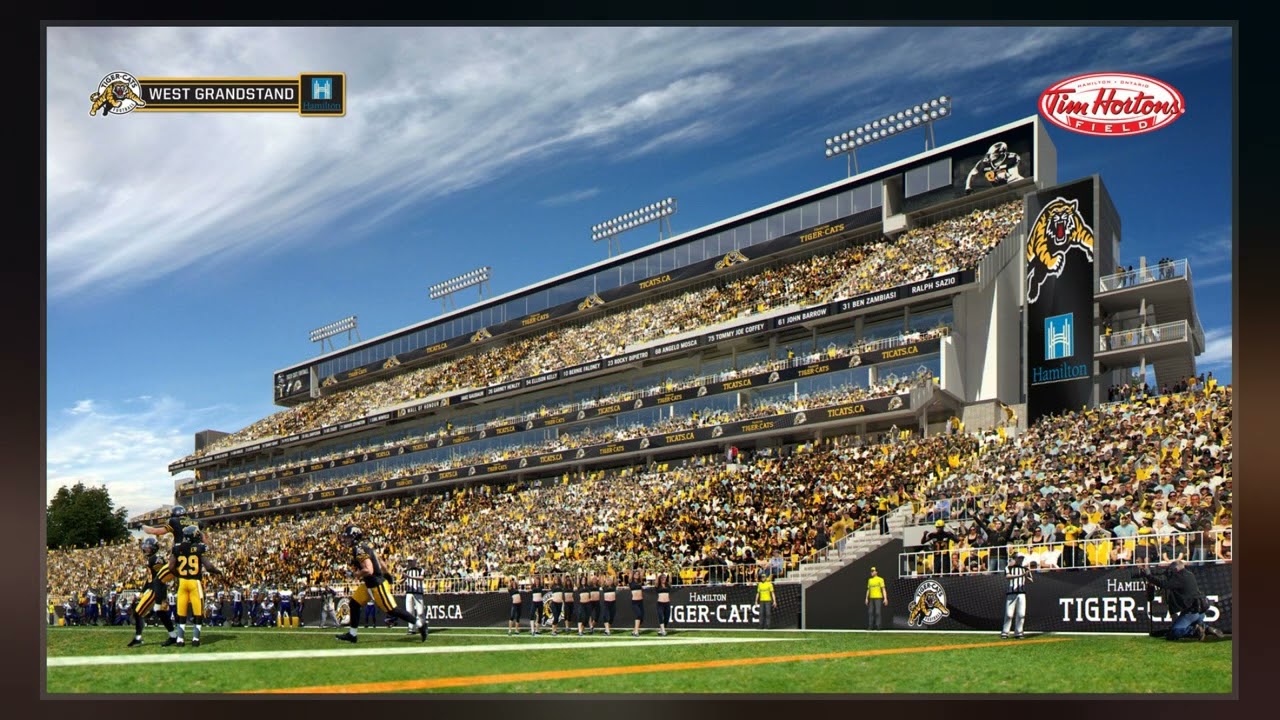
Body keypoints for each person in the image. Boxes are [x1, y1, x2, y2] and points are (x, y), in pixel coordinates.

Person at [334, 524, 427, 643]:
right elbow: (380, 561)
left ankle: (420, 624)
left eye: (348, 537)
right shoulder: (365, 547)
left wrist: (354, 575)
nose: (346, 540)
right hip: (369, 584)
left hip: (376, 584)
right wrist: (387, 574)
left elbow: (369, 570)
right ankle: (352, 635)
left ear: (354, 537)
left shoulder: (358, 549)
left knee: (393, 610)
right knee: (354, 604)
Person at [166, 525, 225, 648]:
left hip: (182, 583)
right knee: (198, 612)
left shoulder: (177, 548)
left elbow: (171, 567)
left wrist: (178, 575)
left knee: (181, 613)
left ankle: (180, 640)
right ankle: (195, 639)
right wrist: (218, 571)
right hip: (194, 583)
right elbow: (208, 566)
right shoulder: (199, 548)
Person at [1141, 559, 1224, 641]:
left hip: (1191, 612)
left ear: (1176, 569)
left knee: (1174, 632)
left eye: (1172, 570)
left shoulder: (1179, 577)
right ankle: (1206, 628)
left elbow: (1164, 584)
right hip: (1200, 611)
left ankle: (1195, 631)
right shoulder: (1190, 574)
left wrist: (1149, 576)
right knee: (1185, 624)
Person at [126, 537, 180, 648]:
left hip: (155, 590)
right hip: (155, 589)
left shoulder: (156, 559)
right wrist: (142, 590)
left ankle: (138, 638)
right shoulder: (153, 558)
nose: (145, 549)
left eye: (148, 548)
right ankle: (173, 636)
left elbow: (160, 578)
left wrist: (156, 592)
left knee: (138, 613)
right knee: (161, 613)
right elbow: (151, 578)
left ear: (154, 548)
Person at [1001, 553, 1034, 640]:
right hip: (1011, 593)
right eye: (1019, 558)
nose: (1020, 560)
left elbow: (1031, 580)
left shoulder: (1025, 568)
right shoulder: (1008, 568)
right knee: (1009, 614)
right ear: (1014, 559)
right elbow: (1008, 577)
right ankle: (1005, 632)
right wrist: (1021, 575)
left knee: (1021, 614)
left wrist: (1027, 575)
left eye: (1021, 558)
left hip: (1021, 593)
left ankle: (1019, 632)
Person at [402, 558, 426, 636]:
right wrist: (404, 579)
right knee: (409, 612)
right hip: (409, 593)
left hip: (418, 592)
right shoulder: (405, 571)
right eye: (408, 561)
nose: (409, 562)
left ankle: (422, 627)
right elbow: (400, 582)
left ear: (415, 561)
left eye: (411, 561)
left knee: (420, 612)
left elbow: (421, 578)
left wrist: (409, 577)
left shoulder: (420, 569)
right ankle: (411, 629)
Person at [628, 570, 645, 637]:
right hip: (635, 601)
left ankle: (634, 630)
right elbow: (630, 573)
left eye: (638, 574)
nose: (637, 575)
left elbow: (642, 573)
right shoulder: (630, 581)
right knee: (638, 614)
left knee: (641, 617)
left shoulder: (640, 581)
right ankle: (636, 632)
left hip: (640, 601)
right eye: (635, 574)